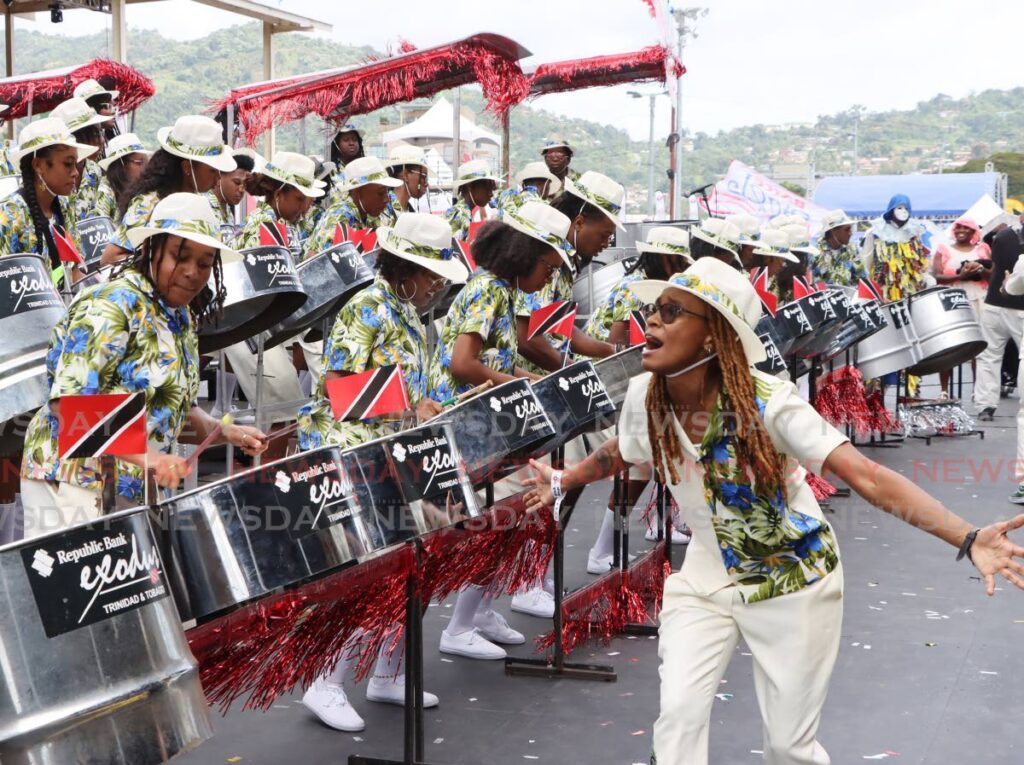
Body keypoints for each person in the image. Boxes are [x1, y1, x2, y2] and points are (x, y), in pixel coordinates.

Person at [525, 256, 1024, 765]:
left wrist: (968, 536)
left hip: (794, 582)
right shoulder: (644, 396)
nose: (652, 320)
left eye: (672, 311)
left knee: (789, 749)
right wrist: (565, 478)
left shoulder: (771, 404)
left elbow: (868, 477)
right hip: (705, 578)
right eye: (654, 309)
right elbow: (624, 451)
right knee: (676, 723)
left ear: (713, 338)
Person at [298, 213, 468, 732]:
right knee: (368, 573)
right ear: (407, 269)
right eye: (433, 275)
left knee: (415, 563)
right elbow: (340, 389)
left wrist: (424, 407)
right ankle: (325, 681)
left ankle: (388, 671)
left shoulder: (413, 317)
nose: (438, 286)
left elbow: (401, 391)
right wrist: (409, 410)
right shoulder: (367, 306)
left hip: (390, 452)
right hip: (348, 455)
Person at [18, 193, 267, 537]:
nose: (193, 272)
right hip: (76, 481)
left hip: (129, 487)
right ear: (152, 249)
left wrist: (222, 431)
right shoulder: (112, 304)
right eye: (180, 256)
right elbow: (71, 407)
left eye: (205, 262)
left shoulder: (179, 317)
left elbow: (168, 413)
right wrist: (149, 458)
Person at [429, 201, 572, 660]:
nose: (549, 279)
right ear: (523, 254)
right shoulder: (487, 290)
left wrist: (522, 382)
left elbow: (492, 362)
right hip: (464, 424)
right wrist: (523, 384)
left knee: (516, 512)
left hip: (490, 419)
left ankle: (481, 609)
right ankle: (459, 624)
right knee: (506, 516)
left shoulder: (503, 292)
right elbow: (462, 364)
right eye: (547, 267)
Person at [582, 226, 695, 565]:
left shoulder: (661, 289)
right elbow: (621, 345)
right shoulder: (636, 291)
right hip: (610, 384)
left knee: (650, 461)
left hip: (636, 382)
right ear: (663, 258)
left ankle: (643, 529)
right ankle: (602, 549)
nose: (682, 268)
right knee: (637, 463)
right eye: (678, 261)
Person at [224, 152, 324, 463]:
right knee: (285, 409)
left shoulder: (282, 225)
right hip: (249, 328)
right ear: (279, 193)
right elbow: (260, 291)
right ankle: (271, 480)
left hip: (269, 326)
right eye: (300, 198)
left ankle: (274, 476)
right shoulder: (262, 227)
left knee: (287, 412)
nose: (306, 206)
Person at [515, 171, 622, 375]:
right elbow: (527, 337)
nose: (606, 244)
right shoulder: (549, 261)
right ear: (579, 222)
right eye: (605, 235)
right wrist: (576, 373)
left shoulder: (566, 263)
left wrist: (611, 351)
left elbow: (560, 326)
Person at [101, 115, 236, 264]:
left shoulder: (202, 205)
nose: (218, 178)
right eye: (212, 170)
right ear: (187, 167)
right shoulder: (149, 204)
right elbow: (110, 258)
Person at [0, 117, 94, 287]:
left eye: (76, 165)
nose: (75, 173)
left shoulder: (64, 207)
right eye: (68, 164)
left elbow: (76, 268)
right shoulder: (9, 214)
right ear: (38, 165)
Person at [932, 216, 992, 394]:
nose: (961, 231)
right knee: (949, 345)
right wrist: (960, 276)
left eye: (966, 228)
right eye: (958, 228)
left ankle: (977, 389)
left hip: (978, 298)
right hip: (952, 300)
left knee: (978, 345)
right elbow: (937, 276)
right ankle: (943, 390)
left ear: (974, 232)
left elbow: (992, 275)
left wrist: (979, 269)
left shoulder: (983, 249)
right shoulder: (943, 249)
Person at [974, 213, 1021, 424]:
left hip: (994, 303)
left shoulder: (1002, 237)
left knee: (989, 356)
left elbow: (998, 263)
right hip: (1019, 306)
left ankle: (986, 406)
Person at [305, 156, 401, 257]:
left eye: (387, 192)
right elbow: (331, 263)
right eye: (380, 193)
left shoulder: (371, 216)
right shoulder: (339, 216)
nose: (386, 199)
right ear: (358, 192)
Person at [861, 193, 930, 302]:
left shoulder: (914, 231)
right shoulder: (877, 231)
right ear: (891, 209)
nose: (903, 211)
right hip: (882, 290)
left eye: (906, 208)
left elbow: (922, 261)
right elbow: (866, 262)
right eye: (899, 208)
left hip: (910, 291)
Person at [49, 97, 108, 223]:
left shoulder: (93, 170)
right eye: (95, 134)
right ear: (76, 138)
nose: (101, 141)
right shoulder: (52, 176)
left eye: (101, 133)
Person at [94, 133, 150, 223]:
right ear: (121, 165)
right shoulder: (105, 192)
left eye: (145, 162)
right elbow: (99, 226)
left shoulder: (139, 190)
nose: (145, 167)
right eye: (139, 162)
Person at [444, 159, 500, 242]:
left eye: (492, 188)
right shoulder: (461, 215)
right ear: (470, 186)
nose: (491, 193)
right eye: (487, 187)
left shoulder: (463, 212)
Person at [207, 148, 257, 236]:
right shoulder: (204, 205)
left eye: (245, 185)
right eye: (237, 182)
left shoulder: (227, 210)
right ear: (219, 178)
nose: (241, 190)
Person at [812, 209, 866, 286]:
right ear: (834, 231)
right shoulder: (815, 252)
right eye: (847, 229)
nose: (850, 233)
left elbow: (862, 278)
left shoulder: (852, 250)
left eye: (851, 229)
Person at [383, 145, 430, 215]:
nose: (427, 184)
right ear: (406, 175)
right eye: (423, 176)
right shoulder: (383, 210)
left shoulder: (410, 212)